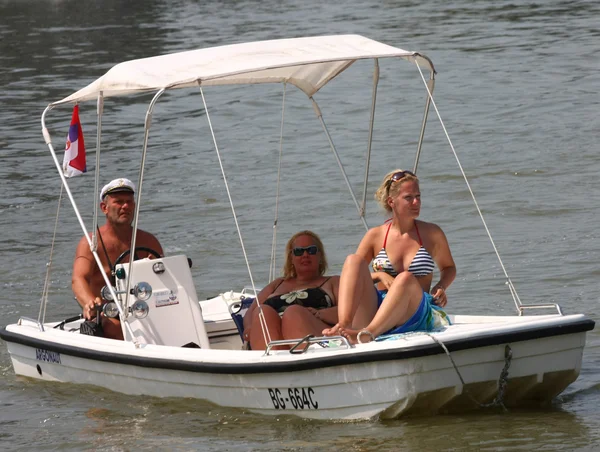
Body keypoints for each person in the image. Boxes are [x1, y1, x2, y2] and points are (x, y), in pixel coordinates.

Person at [323, 169, 456, 343]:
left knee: (405, 278)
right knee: (353, 260)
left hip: (414, 309)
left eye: (418, 196)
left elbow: (449, 268)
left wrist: (441, 286)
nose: (416, 202)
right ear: (391, 201)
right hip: (378, 308)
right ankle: (344, 325)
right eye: (408, 197)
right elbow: (354, 277)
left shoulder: (432, 233)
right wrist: (379, 274)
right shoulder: (375, 236)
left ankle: (367, 334)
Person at [72, 178, 164, 340]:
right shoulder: (91, 243)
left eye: (129, 202)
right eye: (119, 202)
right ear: (104, 208)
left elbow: (165, 280)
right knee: (114, 328)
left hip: (145, 311)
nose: (125, 206)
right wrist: (89, 302)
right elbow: (79, 278)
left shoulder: (149, 241)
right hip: (109, 315)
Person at [243, 230, 340, 350]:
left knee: (293, 313)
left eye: (311, 250)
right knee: (262, 312)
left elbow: (349, 313)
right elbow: (250, 312)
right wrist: (248, 328)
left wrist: (319, 314)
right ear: (291, 258)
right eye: (299, 251)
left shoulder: (333, 282)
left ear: (320, 256)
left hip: (318, 334)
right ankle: (272, 361)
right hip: (274, 340)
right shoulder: (277, 284)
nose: (305, 255)